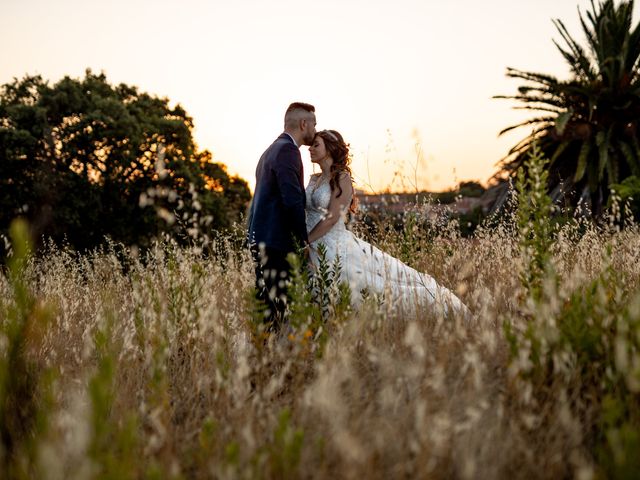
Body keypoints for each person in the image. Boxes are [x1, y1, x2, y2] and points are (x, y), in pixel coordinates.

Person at [306, 129, 469, 316]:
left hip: (333, 244)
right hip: (312, 246)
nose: (310, 149)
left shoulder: (342, 178)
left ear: (330, 149)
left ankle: (440, 306)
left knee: (370, 286)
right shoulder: (314, 179)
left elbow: (333, 217)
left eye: (316, 145)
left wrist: (306, 239)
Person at [247, 102, 316, 330]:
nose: (315, 130)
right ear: (304, 124)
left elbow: (258, 200)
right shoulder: (288, 151)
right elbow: (292, 200)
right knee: (282, 308)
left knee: (267, 309)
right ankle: (280, 358)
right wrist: (302, 242)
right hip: (277, 243)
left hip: (262, 239)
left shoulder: (269, 150)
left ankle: (267, 358)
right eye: (314, 124)